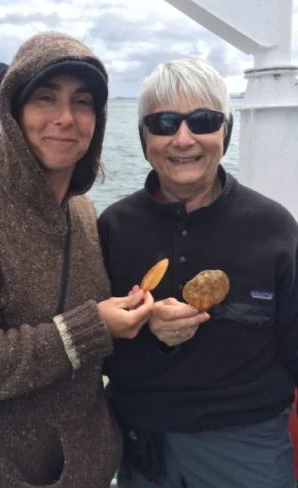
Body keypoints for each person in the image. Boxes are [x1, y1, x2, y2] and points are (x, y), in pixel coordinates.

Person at [0, 31, 153, 488]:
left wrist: (144, 317)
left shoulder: (81, 210)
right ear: (13, 110)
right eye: (46, 98)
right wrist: (92, 327)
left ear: (97, 120)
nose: (65, 118)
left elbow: (91, 338)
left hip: (88, 468)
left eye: (82, 103)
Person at [98, 58, 298, 488]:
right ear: (143, 136)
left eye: (203, 120)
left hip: (249, 445)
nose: (183, 138)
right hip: (142, 444)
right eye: (165, 122)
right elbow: (94, 346)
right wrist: (144, 328)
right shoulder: (113, 226)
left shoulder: (274, 227)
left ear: (225, 129)